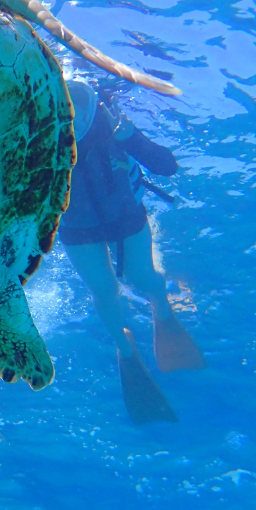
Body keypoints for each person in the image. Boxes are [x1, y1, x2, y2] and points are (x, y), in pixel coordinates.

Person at [60, 79, 206, 425]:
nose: (72, 113)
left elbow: (167, 166)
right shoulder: (39, 135)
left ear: (93, 100)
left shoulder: (113, 124)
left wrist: (132, 140)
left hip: (125, 218)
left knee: (141, 278)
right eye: (63, 102)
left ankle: (163, 307)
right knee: (104, 290)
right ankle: (124, 348)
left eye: (79, 99)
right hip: (77, 227)